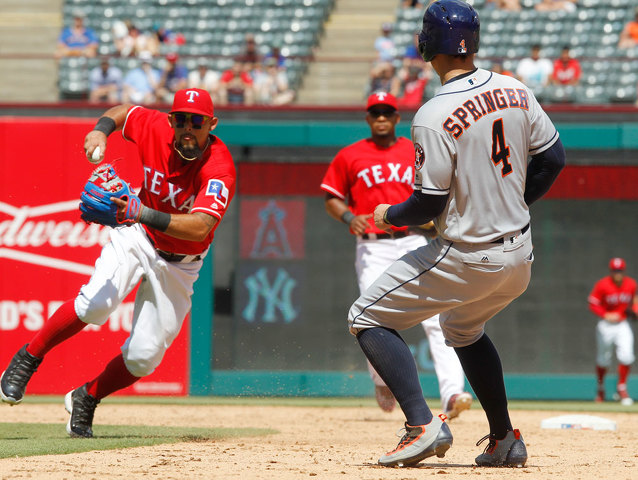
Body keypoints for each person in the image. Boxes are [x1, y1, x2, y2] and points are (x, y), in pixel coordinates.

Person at [348, 0, 565, 468]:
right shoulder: (516, 89)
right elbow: (553, 160)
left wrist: (389, 214)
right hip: (520, 256)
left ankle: (422, 426)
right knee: (462, 329)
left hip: (467, 255)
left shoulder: (433, 113)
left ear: (428, 46)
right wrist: (512, 204)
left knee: (365, 316)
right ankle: (504, 438)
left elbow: (426, 203)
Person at [0, 87, 236, 438]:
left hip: (180, 262)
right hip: (137, 236)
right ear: (171, 120)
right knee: (95, 304)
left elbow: (201, 225)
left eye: (197, 121)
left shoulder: (218, 165)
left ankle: (86, 397)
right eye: (182, 119)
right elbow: (124, 112)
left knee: (143, 358)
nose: (188, 127)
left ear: (211, 124)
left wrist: (141, 211)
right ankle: (28, 358)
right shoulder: (156, 127)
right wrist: (100, 129)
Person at [321, 91, 473, 419]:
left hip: (413, 240)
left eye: (386, 112)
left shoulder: (412, 150)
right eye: (375, 112)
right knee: (372, 314)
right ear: (367, 118)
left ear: (396, 117)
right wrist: (349, 217)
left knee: (436, 316)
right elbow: (331, 197)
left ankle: (452, 394)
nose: (380, 118)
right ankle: (381, 378)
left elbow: (439, 187)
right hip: (372, 244)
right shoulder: (350, 155)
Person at [588, 257, 636, 406]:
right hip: (606, 325)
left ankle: (622, 388)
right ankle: (601, 389)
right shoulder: (603, 285)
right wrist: (605, 314)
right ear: (611, 271)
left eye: (620, 270)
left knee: (627, 356)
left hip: (622, 323)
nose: (618, 273)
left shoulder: (631, 284)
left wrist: (635, 310)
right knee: (603, 359)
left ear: (624, 270)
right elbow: (593, 302)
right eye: (615, 271)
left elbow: (634, 301)